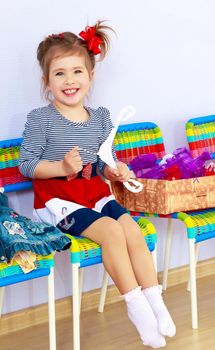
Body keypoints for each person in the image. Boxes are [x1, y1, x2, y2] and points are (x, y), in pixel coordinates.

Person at [19, 20, 176, 348]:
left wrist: (115, 171)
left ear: (90, 76)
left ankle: (154, 299)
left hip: (93, 193)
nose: (69, 80)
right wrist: (61, 166)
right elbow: (27, 165)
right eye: (59, 73)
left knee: (131, 229)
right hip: (58, 202)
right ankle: (135, 305)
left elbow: (102, 162)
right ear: (46, 80)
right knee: (111, 231)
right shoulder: (40, 118)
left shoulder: (102, 117)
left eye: (77, 71)